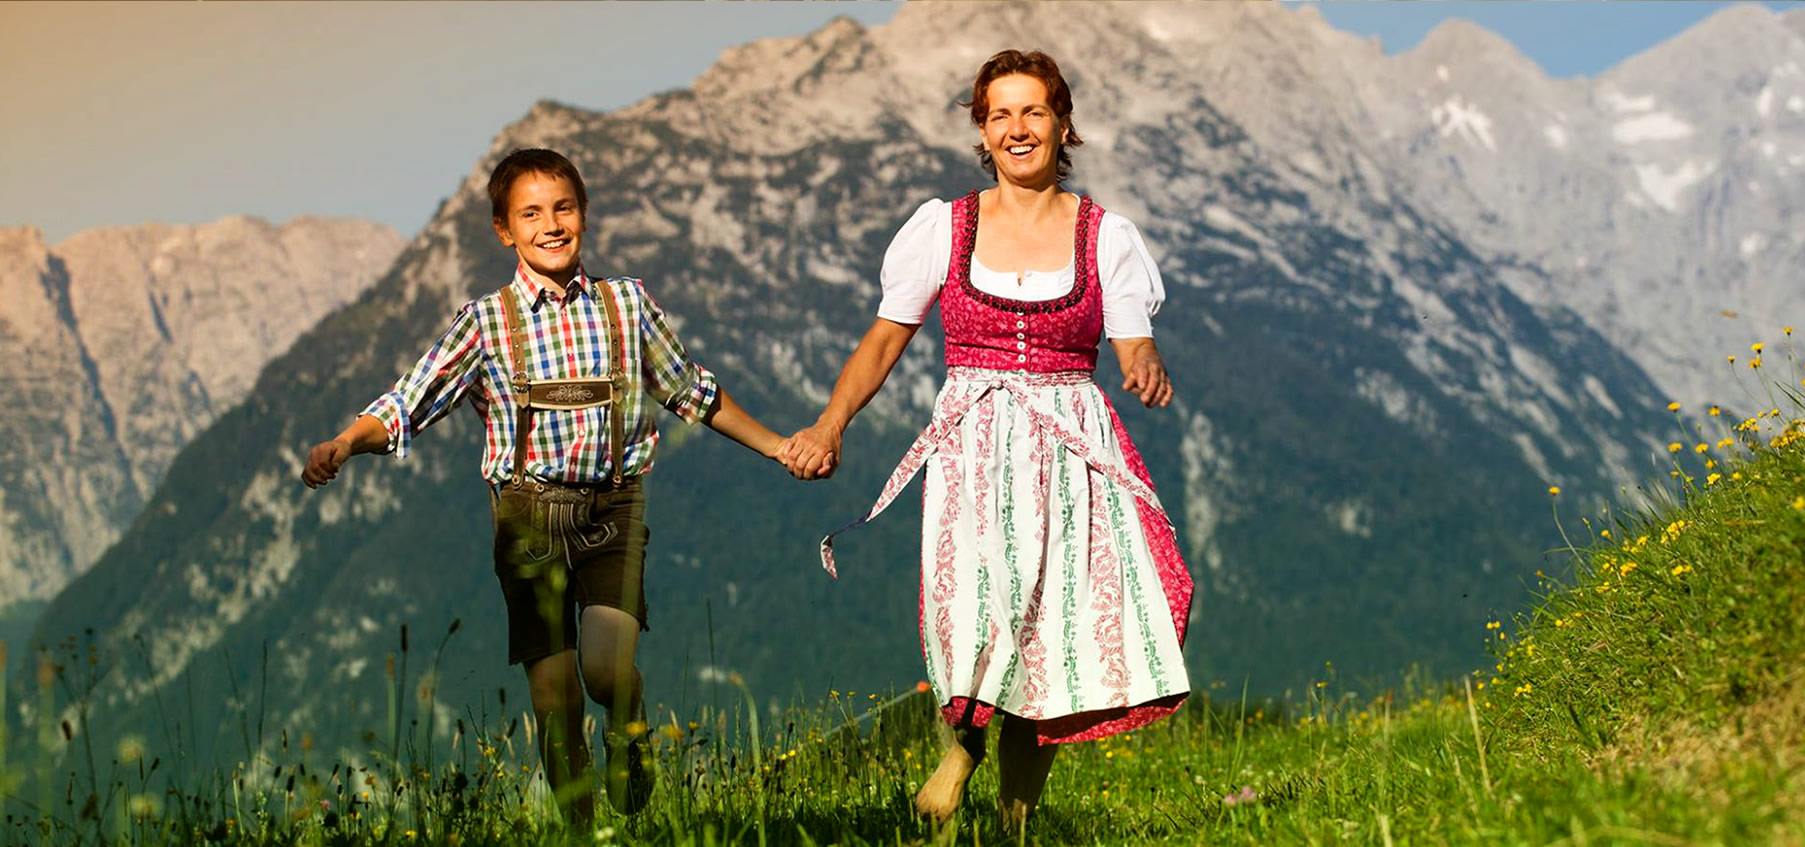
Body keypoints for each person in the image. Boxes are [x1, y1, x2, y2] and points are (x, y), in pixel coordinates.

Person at [300, 149, 790, 826]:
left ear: (583, 214)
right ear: (505, 230)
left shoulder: (626, 304)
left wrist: (777, 445)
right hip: (526, 519)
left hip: (614, 510)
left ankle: (629, 726)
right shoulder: (486, 322)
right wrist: (347, 443)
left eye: (563, 208)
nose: (551, 225)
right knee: (554, 701)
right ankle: (583, 830)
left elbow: (691, 391)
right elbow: (408, 401)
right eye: (531, 214)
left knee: (606, 669)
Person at [779, 49, 1194, 831]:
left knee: (1050, 624)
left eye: (1033, 111)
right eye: (1000, 113)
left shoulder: (1105, 235)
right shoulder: (945, 226)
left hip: (1070, 441)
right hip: (973, 440)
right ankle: (963, 749)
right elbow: (881, 342)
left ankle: (1015, 819)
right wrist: (829, 424)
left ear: (1062, 124)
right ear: (982, 130)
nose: (1018, 127)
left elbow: (1132, 338)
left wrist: (1144, 364)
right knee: (969, 608)